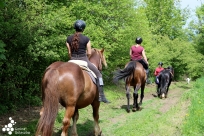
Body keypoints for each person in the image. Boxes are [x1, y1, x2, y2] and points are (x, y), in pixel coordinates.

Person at [65, 20, 110, 103]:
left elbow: (69, 52)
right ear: (83, 29)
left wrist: (72, 59)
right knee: (99, 75)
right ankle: (102, 96)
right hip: (84, 60)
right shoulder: (86, 39)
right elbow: (89, 53)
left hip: (71, 61)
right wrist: (87, 58)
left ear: (75, 28)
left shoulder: (68, 39)